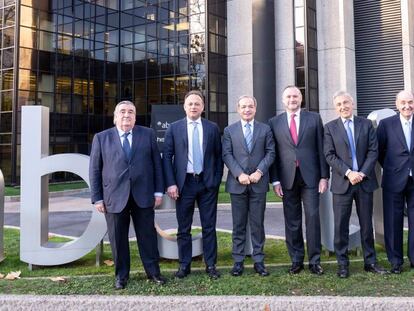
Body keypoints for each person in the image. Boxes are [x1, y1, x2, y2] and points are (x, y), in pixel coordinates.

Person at [89, 100, 166, 289]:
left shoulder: (147, 134)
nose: (126, 115)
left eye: (130, 111)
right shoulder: (101, 138)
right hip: (114, 198)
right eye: (122, 111)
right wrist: (97, 197)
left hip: (144, 195)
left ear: (135, 116)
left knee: (147, 237)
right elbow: (95, 170)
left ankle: (153, 273)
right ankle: (121, 276)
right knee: (118, 239)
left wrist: (158, 191)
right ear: (115, 117)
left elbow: (157, 164)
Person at [324, 91, 387, 278]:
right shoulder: (329, 128)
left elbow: (373, 151)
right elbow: (329, 155)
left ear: (352, 104)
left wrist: (361, 173)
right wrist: (349, 172)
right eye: (339, 104)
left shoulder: (366, 125)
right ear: (336, 108)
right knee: (340, 225)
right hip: (342, 183)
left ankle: (370, 261)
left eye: (346, 103)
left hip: (364, 182)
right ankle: (342, 264)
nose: (343, 106)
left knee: (367, 224)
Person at [163, 90, 223, 279]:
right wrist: (171, 183)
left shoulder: (212, 127)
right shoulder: (174, 128)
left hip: (207, 183)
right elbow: (167, 158)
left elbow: (219, 156)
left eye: (197, 104)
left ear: (203, 107)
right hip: (184, 184)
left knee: (209, 226)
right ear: (184, 106)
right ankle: (184, 265)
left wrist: (215, 180)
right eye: (190, 104)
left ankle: (211, 265)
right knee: (184, 228)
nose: (194, 107)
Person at [268, 85, 329, 275]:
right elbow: (274, 154)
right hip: (287, 179)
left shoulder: (314, 118)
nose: (292, 99)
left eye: (295, 96)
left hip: (311, 177)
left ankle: (314, 261)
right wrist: (275, 180)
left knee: (312, 218)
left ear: (301, 98)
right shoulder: (274, 122)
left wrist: (324, 176)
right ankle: (296, 260)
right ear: (283, 100)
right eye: (288, 96)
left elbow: (321, 148)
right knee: (292, 221)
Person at [222, 95, 275, 276]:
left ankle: (258, 260)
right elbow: (227, 155)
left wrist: (259, 172)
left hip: (258, 184)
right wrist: (239, 174)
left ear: (255, 108)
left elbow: (270, 153)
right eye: (243, 106)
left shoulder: (265, 129)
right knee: (238, 225)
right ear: (238, 109)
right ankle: (238, 261)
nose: (247, 109)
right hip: (237, 185)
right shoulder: (229, 130)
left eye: (250, 106)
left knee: (257, 224)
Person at [377, 90, 414, 274]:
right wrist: (393, 168)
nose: (407, 106)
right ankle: (396, 261)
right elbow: (380, 151)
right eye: (404, 103)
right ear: (397, 104)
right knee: (393, 221)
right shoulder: (386, 124)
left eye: (410, 102)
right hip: (393, 179)